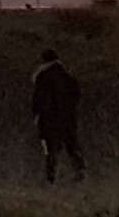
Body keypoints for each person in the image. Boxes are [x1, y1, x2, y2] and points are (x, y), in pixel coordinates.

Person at [30, 48, 83, 182]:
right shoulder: (68, 76)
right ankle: (80, 172)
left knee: (50, 149)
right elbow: (76, 96)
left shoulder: (42, 77)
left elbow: (38, 99)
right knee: (71, 146)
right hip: (68, 117)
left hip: (48, 118)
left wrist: (36, 113)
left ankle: (51, 176)